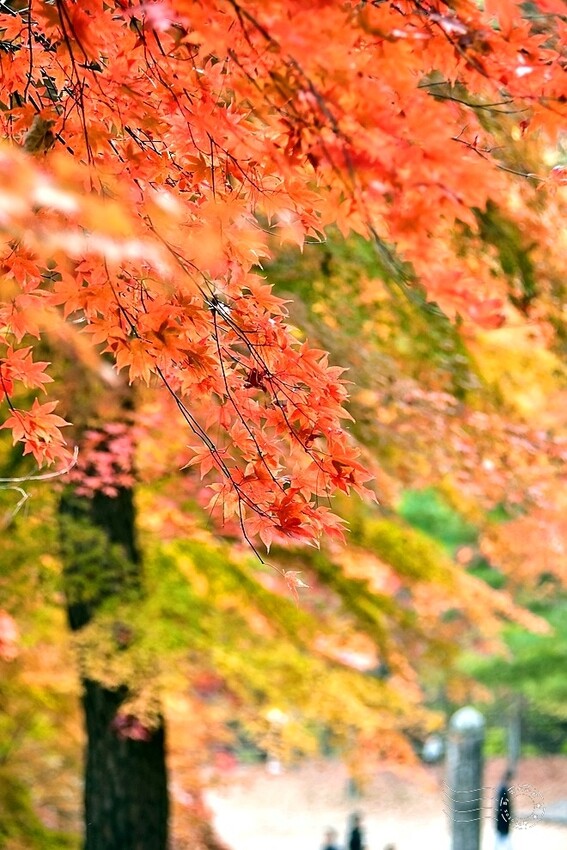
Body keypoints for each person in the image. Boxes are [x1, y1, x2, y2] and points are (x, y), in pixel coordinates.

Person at [495, 768, 514, 848]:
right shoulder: (503, 790)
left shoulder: (502, 788)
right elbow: (503, 808)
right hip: (502, 821)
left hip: (502, 820)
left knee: (500, 840)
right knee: (502, 841)